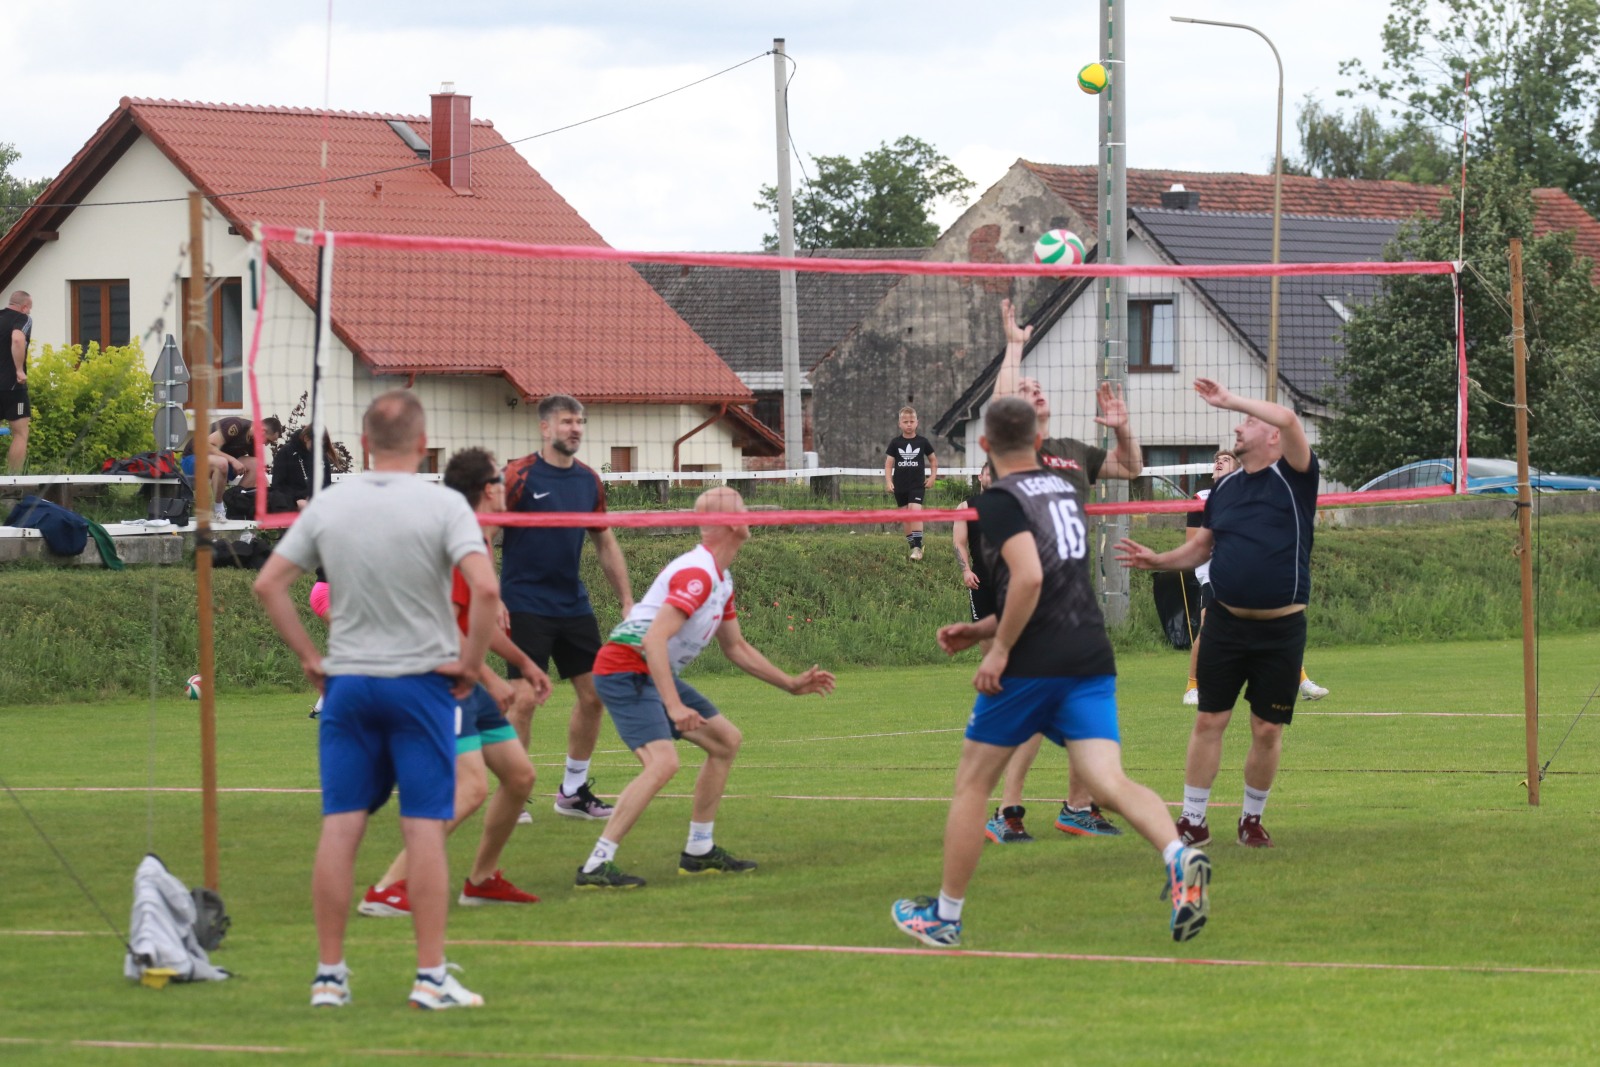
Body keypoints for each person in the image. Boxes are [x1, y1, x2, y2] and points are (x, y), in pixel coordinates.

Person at [891, 397, 1210, 949]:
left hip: (1035, 658)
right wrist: (979, 630)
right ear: (1038, 443)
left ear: (986, 448)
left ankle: (944, 916)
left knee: (971, 784)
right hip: (1087, 650)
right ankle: (1180, 858)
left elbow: (1032, 579)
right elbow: (1051, 583)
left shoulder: (998, 500)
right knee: (1109, 782)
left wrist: (998, 650)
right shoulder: (1064, 487)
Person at [253, 389, 497, 1010]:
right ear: (421, 446)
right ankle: (429, 976)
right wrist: (470, 666)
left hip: (351, 685)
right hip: (419, 683)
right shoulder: (444, 504)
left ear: (362, 444)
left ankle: (329, 977)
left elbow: (270, 584)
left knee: (341, 827)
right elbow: (487, 592)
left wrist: (313, 660)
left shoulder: (332, 505)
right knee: (423, 828)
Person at [574, 487, 836, 889]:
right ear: (730, 522)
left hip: (647, 667)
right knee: (663, 763)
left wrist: (790, 683)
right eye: (744, 509)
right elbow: (653, 640)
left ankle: (698, 851)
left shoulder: (720, 577)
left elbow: (736, 647)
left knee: (726, 741)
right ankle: (596, 865)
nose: (750, 515)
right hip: (624, 667)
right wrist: (674, 705)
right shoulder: (697, 574)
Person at [1116, 378, 1320, 850]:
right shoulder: (1224, 491)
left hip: (1281, 628)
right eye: (1239, 417)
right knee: (1209, 720)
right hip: (1226, 623)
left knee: (1267, 729)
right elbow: (1201, 548)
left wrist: (1229, 397)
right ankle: (1192, 821)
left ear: (1271, 435)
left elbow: (1289, 417)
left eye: (1248, 421)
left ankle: (1251, 819)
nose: (1237, 426)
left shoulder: (1294, 476)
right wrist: (1159, 561)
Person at [358, 447, 553, 918]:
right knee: (469, 789)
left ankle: (482, 880)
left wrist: (525, 664)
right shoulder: (456, 540)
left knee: (519, 775)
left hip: (462, 673)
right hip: (439, 675)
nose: (509, 488)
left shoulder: (480, 540)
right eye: (502, 482)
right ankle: (387, 887)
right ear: (488, 490)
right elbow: (446, 623)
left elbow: (477, 623)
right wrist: (487, 676)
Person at [987, 297, 1144, 840]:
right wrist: (1014, 348)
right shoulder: (1011, 454)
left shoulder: (1074, 451)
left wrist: (1122, 428)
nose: (1033, 390)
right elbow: (1001, 403)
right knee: (1027, 710)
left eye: (1037, 386)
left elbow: (1132, 467)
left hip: (1074, 601)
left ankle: (1078, 807)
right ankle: (1006, 810)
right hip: (1027, 597)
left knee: (1082, 708)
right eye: (1023, 389)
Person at [501, 394, 634, 822]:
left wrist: (627, 601)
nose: (575, 428)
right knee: (523, 699)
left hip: (572, 604)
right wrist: (490, 597)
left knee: (594, 696)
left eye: (579, 422)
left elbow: (605, 541)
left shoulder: (588, 481)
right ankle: (514, 793)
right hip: (523, 604)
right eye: (566, 422)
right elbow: (482, 532)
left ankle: (573, 792)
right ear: (545, 428)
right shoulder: (516, 476)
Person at [1181, 450, 1329, 707]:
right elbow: (1192, 545)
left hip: (1248, 572)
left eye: (1225, 460)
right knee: (1209, 630)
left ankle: (1302, 681)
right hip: (1217, 574)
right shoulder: (1201, 499)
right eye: (1217, 459)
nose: (1218, 462)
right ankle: (1192, 686)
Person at [954, 462, 1030, 845]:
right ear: (980, 477)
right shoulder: (969, 504)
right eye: (986, 471)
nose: (990, 475)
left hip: (1010, 582)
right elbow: (958, 540)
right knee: (990, 647)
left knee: (1012, 643)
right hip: (981, 583)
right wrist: (965, 569)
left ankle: (1007, 688)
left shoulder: (1014, 505)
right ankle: (994, 692)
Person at [184, 416, 284, 521]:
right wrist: (232, 460)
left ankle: (233, 505)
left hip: (220, 464)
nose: (266, 444)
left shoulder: (254, 441)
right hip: (192, 458)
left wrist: (274, 497)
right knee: (222, 463)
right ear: (263, 431)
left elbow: (259, 474)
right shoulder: (237, 425)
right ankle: (218, 509)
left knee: (256, 464)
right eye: (268, 440)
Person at [884, 406, 938, 560]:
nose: (909, 424)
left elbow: (933, 460)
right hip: (900, 486)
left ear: (917, 423)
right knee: (906, 516)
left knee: (915, 511)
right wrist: (888, 481)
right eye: (905, 421)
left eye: (911, 421)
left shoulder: (923, 442)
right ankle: (912, 546)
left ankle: (918, 547)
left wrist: (933, 477)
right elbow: (888, 464)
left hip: (917, 485)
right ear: (899, 423)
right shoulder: (895, 443)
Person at [0, 290, 33, 473]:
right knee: (20, 433)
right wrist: (19, 370)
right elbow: (18, 339)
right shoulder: (23, 318)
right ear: (24, 307)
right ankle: (12, 483)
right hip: (13, 387)